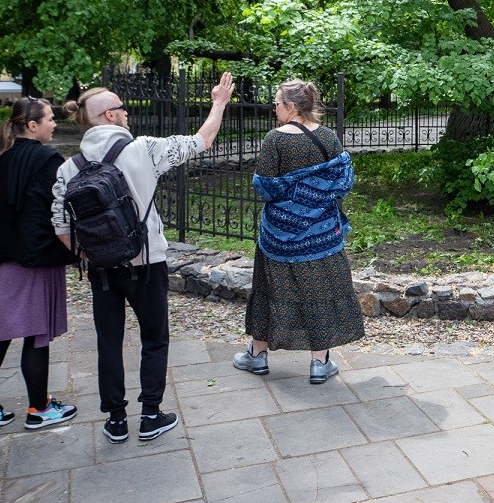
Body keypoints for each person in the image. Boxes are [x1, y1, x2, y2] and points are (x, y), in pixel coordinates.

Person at [52, 73, 235, 443]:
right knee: (154, 337)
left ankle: (116, 420)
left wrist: (90, 252)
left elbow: (60, 226)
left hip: (102, 268)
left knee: (108, 340)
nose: (127, 114)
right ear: (108, 116)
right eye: (122, 108)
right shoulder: (144, 150)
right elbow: (203, 140)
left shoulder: (68, 168)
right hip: (146, 263)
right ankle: (150, 414)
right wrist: (218, 102)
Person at [234, 80, 364, 385]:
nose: (274, 108)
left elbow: (265, 187)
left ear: (292, 107)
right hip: (320, 235)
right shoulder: (328, 137)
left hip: (278, 238)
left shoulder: (274, 140)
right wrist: (313, 192)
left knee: (268, 290)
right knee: (317, 293)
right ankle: (320, 363)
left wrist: (292, 192)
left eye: (277, 103)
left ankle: (257, 355)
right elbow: (343, 180)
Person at [0, 98, 77, 432]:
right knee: (36, 334)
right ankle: (40, 408)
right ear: (32, 125)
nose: (54, 124)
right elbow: (57, 211)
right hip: (35, 259)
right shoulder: (47, 159)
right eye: (50, 119)